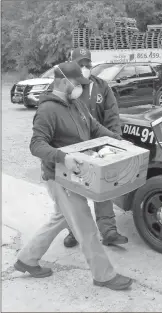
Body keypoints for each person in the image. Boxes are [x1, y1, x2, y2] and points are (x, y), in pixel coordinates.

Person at [13, 61, 133, 290]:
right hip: (60, 177)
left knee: (61, 218)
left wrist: (118, 140)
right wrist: (62, 157)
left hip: (76, 174)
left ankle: (26, 259)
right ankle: (103, 275)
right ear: (63, 81)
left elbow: (95, 128)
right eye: (77, 83)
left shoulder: (75, 103)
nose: (81, 88)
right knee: (85, 225)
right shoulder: (47, 109)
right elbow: (36, 145)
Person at [61, 47, 127, 248]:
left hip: (99, 148)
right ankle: (74, 230)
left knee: (102, 189)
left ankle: (109, 231)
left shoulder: (102, 87)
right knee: (74, 192)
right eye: (79, 64)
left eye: (87, 64)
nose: (84, 67)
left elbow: (112, 116)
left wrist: (115, 143)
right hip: (73, 149)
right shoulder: (63, 87)